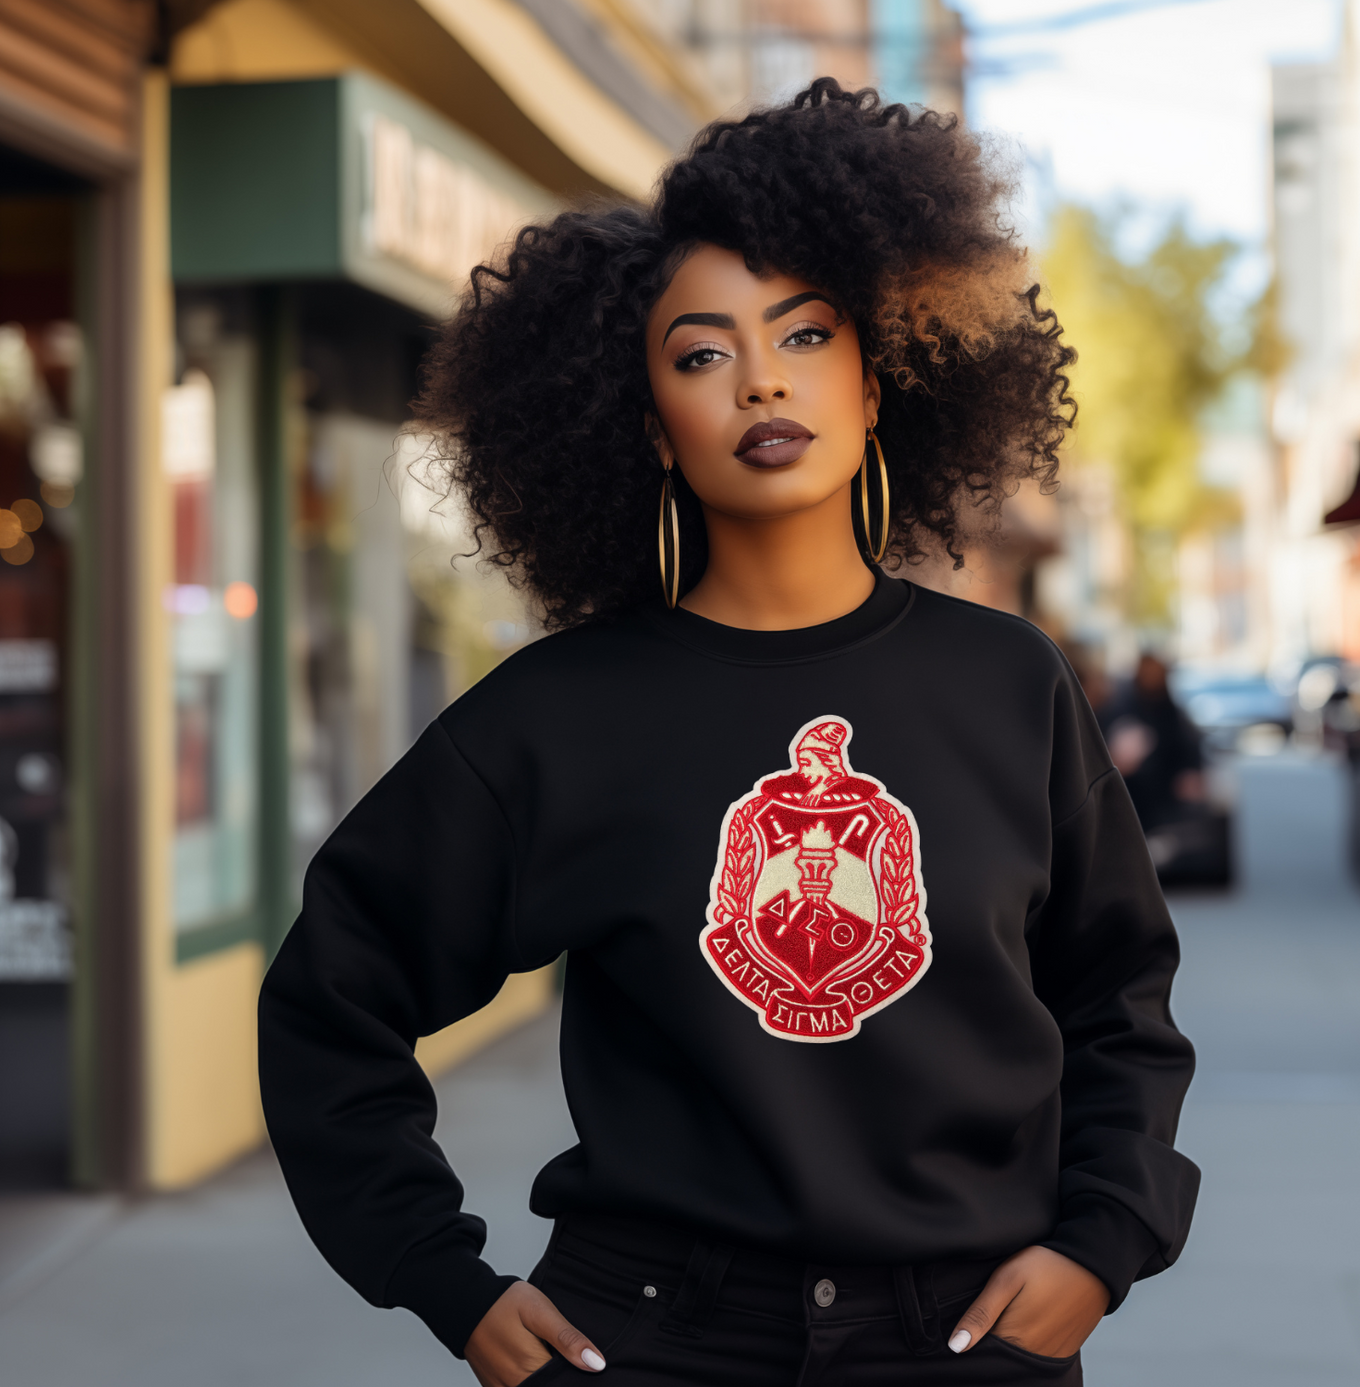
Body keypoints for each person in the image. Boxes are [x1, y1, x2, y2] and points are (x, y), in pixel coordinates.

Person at [258, 81, 1198, 1387]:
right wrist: (443, 1278)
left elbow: (1119, 1003)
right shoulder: (558, 715)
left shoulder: (1007, 682)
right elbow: (330, 1003)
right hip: (650, 1336)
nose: (759, 375)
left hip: (966, 1334)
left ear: (880, 384)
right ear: (650, 428)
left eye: (805, 336)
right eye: (701, 354)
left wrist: (1105, 1241)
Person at [1098, 653, 1206, 834]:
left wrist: (1191, 772)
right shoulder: (1122, 709)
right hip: (1132, 797)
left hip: (1167, 800)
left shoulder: (1172, 712)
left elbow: (1188, 746)